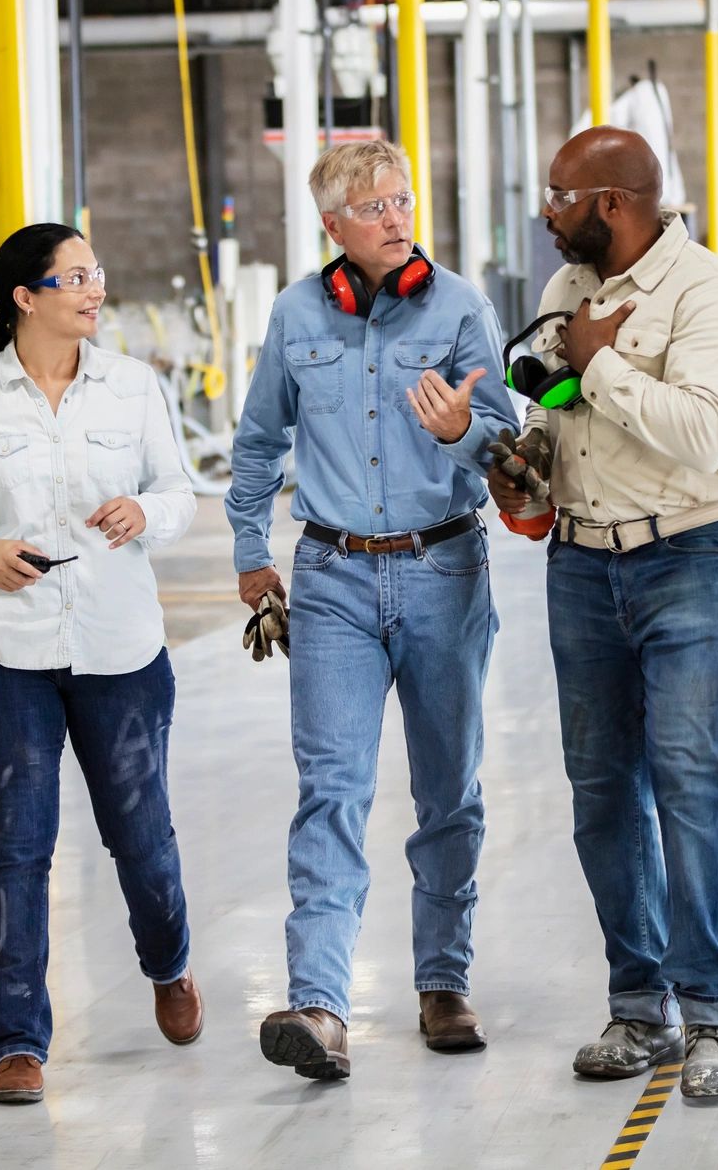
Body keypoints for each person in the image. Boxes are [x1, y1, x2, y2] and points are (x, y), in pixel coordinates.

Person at [226, 140, 516, 1081]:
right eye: (374, 207)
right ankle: (319, 1004)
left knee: (448, 791)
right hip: (332, 579)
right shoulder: (296, 313)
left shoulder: (461, 307)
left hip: (444, 569)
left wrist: (461, 431)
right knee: (331, 790)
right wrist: (249, 554)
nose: (395, 219)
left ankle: (443, 983)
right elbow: (259, 440)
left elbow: (510, 441)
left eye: (402, 201)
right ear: (333, 227)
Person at [488, 127, 718, 1099]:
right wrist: (525, 464)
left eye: (560, 196)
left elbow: (706, 433)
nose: (548, 213)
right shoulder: (566, 291)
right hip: (581, 562)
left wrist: (603, 365)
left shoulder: (708, 296)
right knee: (602, 789)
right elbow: (554, 409)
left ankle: (713, 1013)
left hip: (690, 555)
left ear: (612, 203)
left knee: (690, 781)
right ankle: (639, 1005)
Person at [0, 223, 202, 1106]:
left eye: (94, 272)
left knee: (140, 837)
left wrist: (145, 514)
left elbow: (179, 493)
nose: (93, 288)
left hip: (121, 650)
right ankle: (19, 1044)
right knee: (20, 847)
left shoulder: (132, 386)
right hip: (9, 653)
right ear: (23, 298)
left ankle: (169, 964)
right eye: (73, 277)